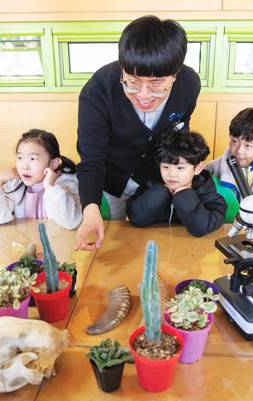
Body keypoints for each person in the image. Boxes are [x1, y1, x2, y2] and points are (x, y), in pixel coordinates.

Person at [75, 15, 201, 249]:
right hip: (110, 182)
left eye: (156, 84)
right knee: (115, 247)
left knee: (159, 247)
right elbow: (91, 159)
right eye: (132, 82)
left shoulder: (189, 85)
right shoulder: (98, 91)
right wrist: (90, 209)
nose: (143, 95)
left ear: (175, 75)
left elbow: (179, 136)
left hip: (156, 184)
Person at [126, 129, 225, 237]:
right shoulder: (151, 184)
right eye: (166, 167)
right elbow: (136, 218)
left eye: (180, 168)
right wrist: (159, 193)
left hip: (188, 245)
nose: (171, 174)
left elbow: (203, 227)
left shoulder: (206, 192)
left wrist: (184, 196)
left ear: (198, 168)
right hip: (156, 243)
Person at [0, 129, 81, 230]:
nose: (24, 167)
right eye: (20, 157)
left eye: (33, 159)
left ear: (53, 163)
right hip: (25, 239)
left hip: (56, 240)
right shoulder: (15, 185)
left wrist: (50, 187)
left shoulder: (68, 185)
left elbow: (71, 222)